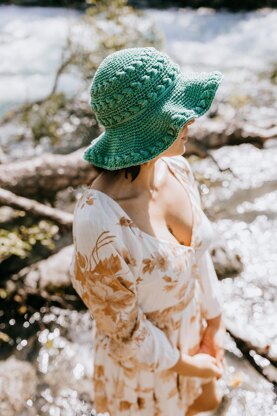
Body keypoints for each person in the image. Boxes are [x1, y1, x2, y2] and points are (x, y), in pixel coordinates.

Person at [70, 47, 226, 416]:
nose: (191, 121)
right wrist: (190, 367)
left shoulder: (177, 169)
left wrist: (214, 325)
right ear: (149, 126)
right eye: (179, 111)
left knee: (208, 402)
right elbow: (125, 334)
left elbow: (198, 258)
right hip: (145, 370)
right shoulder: (98, 221)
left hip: (192, 335)